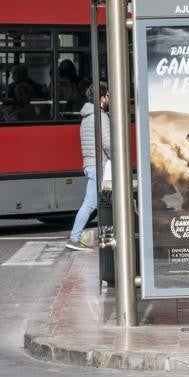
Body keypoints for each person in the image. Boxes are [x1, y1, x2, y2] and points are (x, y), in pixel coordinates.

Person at [67, 82, 111, 251]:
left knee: (107, 201)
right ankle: (75, 237)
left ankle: (110, 233)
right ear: (101, 98)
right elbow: (107, 143)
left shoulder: (87, 116)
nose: (109, 99)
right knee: (91, 203)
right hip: (99, 164)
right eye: (107, 96)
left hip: (90, 163)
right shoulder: (100, 116)